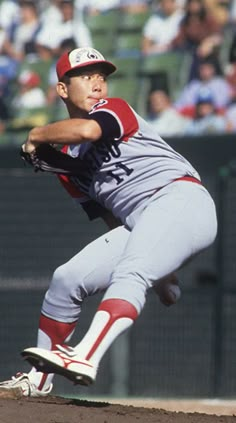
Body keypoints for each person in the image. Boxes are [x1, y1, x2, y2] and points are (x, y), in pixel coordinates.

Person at [0, 47, 217, 398]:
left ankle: (85, 356)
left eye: (102, 75)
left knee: (130, 273)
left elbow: (86, 131)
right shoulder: (68, 168)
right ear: (62, 90)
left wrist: (38, 134)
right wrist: (161, 266)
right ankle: (38, 382)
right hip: (142, 222)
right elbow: (112, 219)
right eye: (86, 76)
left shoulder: (113, 109)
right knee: (66, 280)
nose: (98, 83)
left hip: (182, 200)